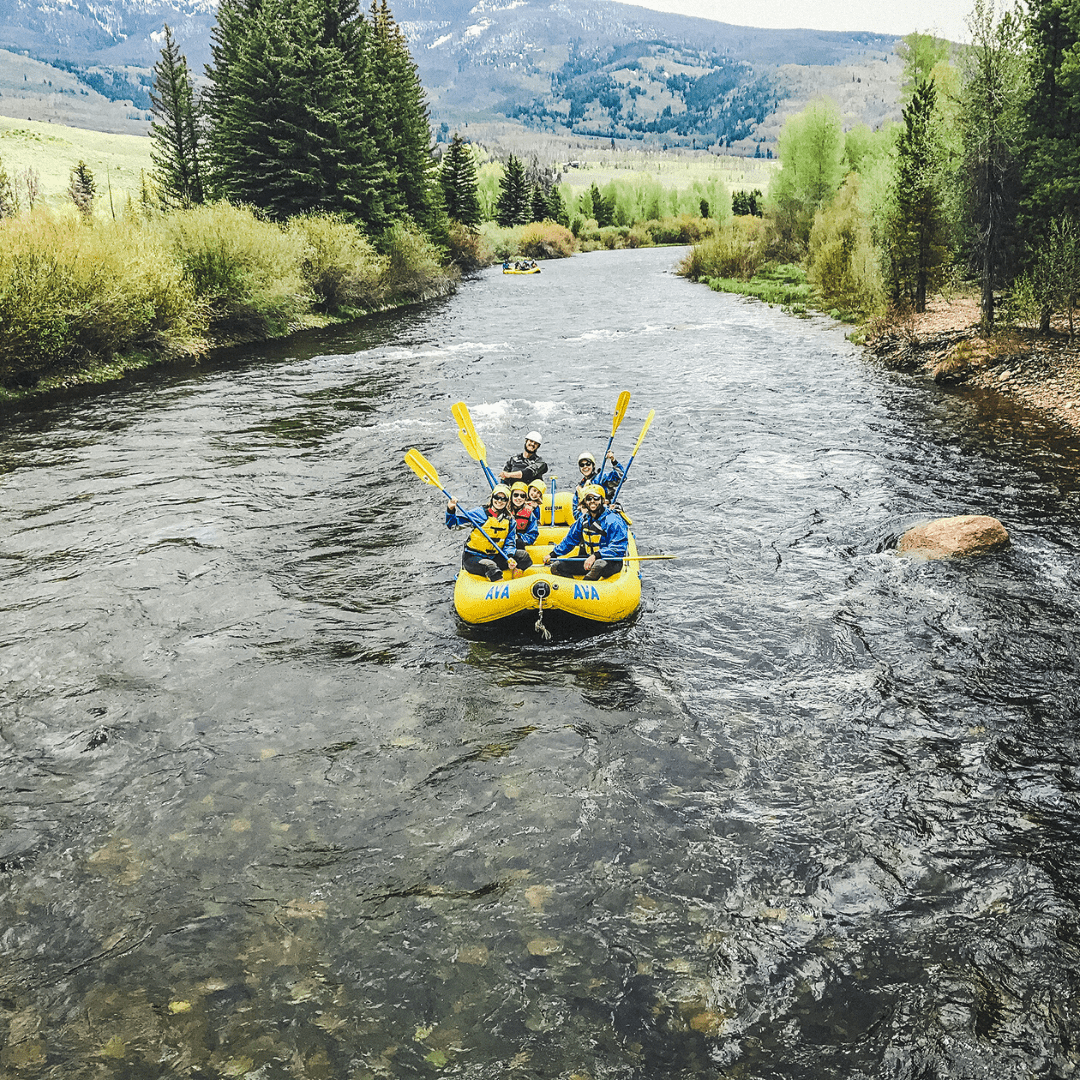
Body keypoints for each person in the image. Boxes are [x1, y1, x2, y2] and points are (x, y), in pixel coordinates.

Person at [545, 484, 628, 580]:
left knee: (598, 564)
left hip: (611, 561)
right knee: (557, 566)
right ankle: (573, 587)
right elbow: (570, 540)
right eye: (589, 498)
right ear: (585, 502)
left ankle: (588, 583)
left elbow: (619, 547)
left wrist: (597, 555)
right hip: (589, 559)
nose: (592, 501)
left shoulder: (613, 520)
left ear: (602, 500)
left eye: (596, 498)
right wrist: (553, 554)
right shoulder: (583, 520)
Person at [445, 484, 519, 581]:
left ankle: (518, 584)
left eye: (503, 499)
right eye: (497, 497)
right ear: (492, 498)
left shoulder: (510, 521)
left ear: (508, 502)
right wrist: (450, 510)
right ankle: (501, 587)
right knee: (490, 566)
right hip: (473, 557)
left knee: (522, 557)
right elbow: (453, 525)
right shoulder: (479, 514)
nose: (499, 501)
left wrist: (509, 557)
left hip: (494, 556)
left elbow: (510, 543)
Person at [572, 449, 623, 515]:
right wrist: (585, 515)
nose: (585, 467)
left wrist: (613, 460)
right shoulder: (580, 487)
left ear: (593, 466)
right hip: (590, 519)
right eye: (582, 465)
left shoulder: (602, 477)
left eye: (588, 464)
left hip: (606, 514)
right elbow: (575, 511)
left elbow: (622, 477)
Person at [508, 482, 537, 568]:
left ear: (525, 498)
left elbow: (533, 535)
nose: (519, 498)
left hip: (519, 543)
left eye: (522, 496)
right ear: (511, 496)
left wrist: (519, 537)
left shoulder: (530, 513)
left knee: (519, 542)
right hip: (504, 542)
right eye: (516, 495)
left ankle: (520, 567)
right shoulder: (503, 510)